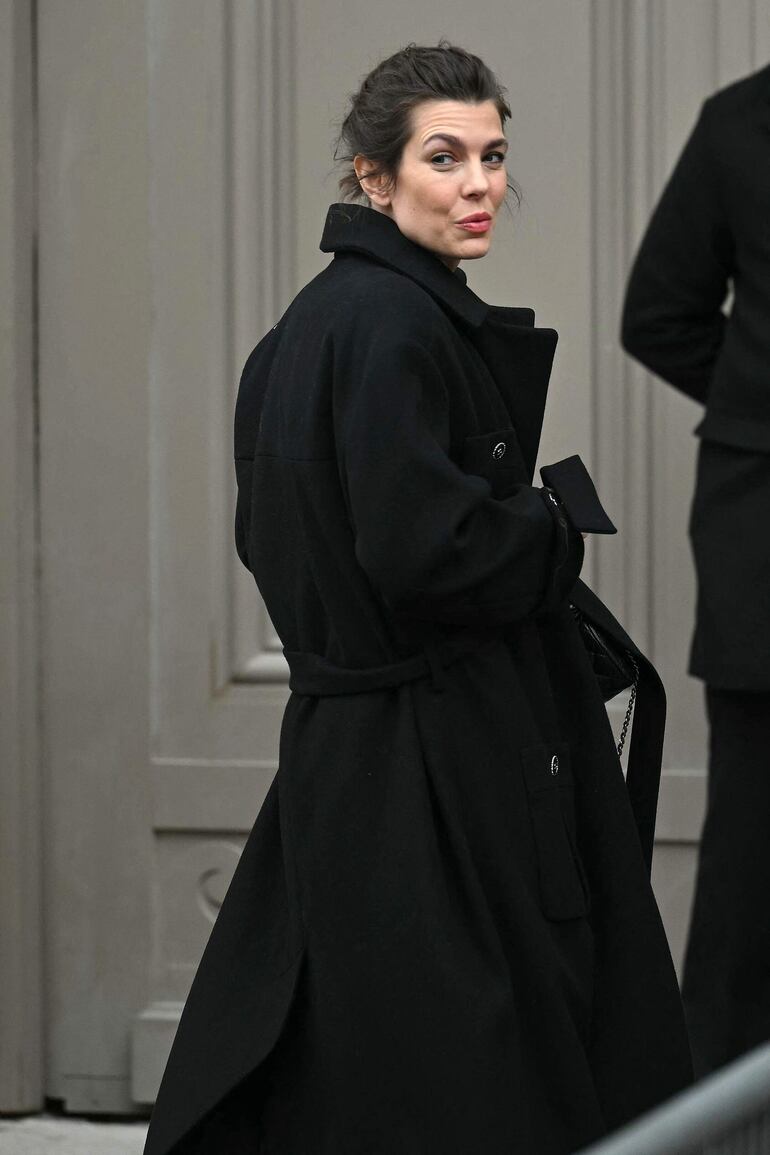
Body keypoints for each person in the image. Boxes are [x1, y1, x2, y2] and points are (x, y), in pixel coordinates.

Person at [144, 42, 692, 1155]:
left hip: (358, 748)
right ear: (373, 178)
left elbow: (278, 537)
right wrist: (546, 526)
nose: (479, 184)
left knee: (370, 1042)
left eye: (492, 156)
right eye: (443, 158)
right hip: (439, 749)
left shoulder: (312, 325)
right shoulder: (392, 325)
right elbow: (422, 551)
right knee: (467, 1055)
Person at [621, 62, 770, 1081]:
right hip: (762, 538)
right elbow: (658, 314)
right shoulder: (738, 125)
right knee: (751, 856)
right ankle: (718, 1122)